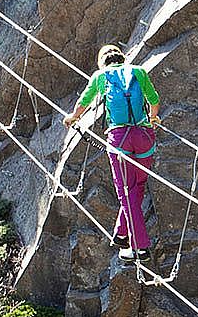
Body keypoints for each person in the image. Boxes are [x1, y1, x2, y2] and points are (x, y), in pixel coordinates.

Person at [67, 44, 161, 261]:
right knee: (137, 188)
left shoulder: (100, 77)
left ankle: (140, 247)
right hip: (144, 137)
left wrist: (73, 117)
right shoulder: (139, 72)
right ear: (122, 60)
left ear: (103, 63)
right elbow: (154, 101)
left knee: (126, 193)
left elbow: (84, 101)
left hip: (120, 140)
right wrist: (154, 119)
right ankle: (121, 233)